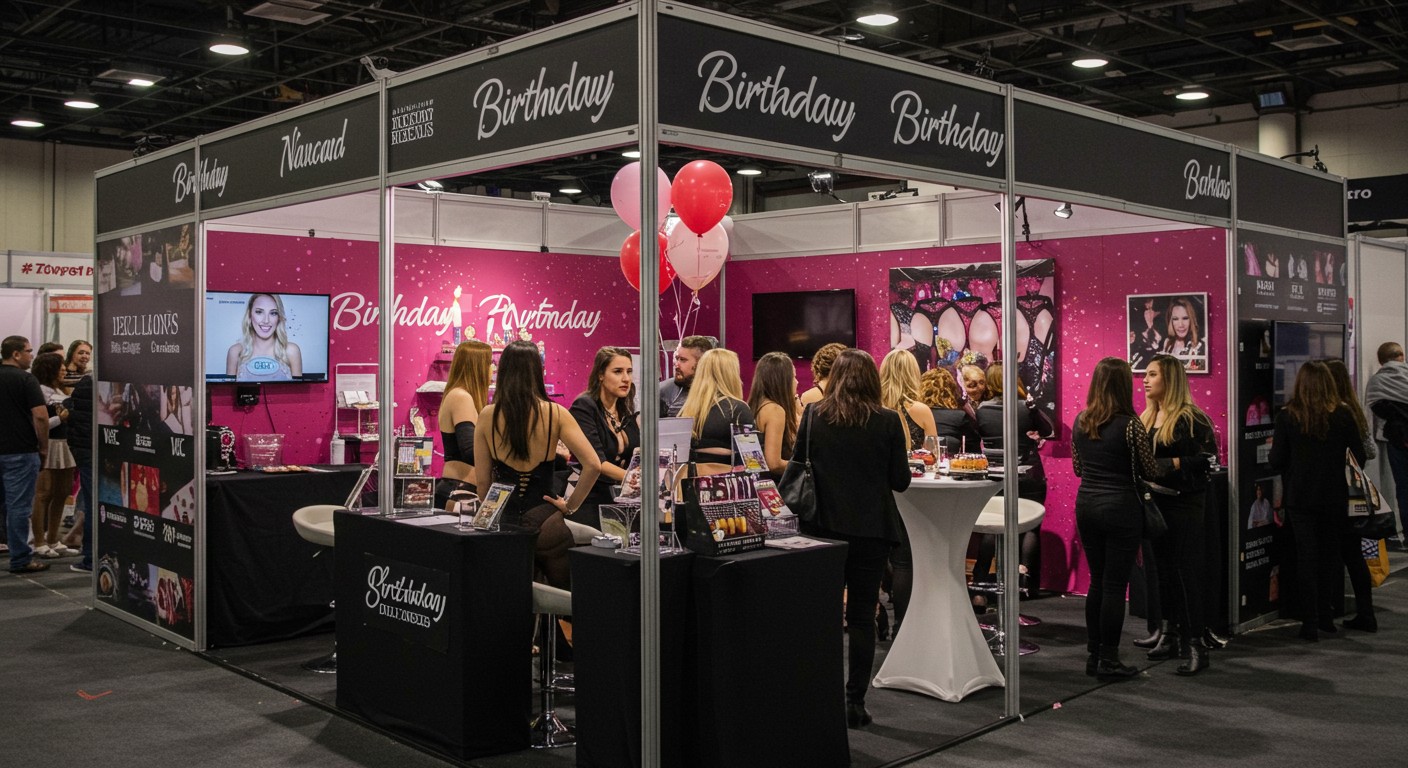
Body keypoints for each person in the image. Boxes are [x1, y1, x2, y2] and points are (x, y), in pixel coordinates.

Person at [791, 349, 910, 729]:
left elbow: (797, 465)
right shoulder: (888, 421)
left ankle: (821, 698)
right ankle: (854, 703)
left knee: (823, 616)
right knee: (861, 617)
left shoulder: (814, 414)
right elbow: (901, 481)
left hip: (821, 527)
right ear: (873, 379)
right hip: (871, 531)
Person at [474, 341, 600, 589]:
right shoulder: (556, 413)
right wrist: (570, 506)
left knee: (508, 597)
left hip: (503, 522)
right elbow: (593, 465)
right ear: (538, 371)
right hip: (547, 522)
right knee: (561, 599)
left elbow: (482, 485)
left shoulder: (487, 415)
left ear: (503, 372)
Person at [1071, 357, 1166, 679]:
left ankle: (1094, 654)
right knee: (1114, 586)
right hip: (1121, 507)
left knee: (1097, 582)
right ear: (1124, 385)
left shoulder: (1081, 420)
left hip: (1087, 505)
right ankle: (1110, 660)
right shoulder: (1131, 425)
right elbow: (1149, 469)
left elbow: (1078, 469)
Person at [1269, 360, 1373, 639]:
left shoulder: (1287, 416)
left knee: (1307, 558)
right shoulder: (1343, 414)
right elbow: (1359, 456)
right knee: (1330, 556)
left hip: (1300, 497)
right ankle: (1327, 616)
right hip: (1336, 496)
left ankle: (1310, 622)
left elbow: (1276, 459)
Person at [1139, 355, 1218, 673]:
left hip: (1185, 505)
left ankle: (1196, 644)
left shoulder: (1192, 418)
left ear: (1169, 379)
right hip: (1154, 503)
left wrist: (1173, 463)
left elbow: (1209, 459)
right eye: (1146, 374)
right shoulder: (1146, 417)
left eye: (1152, 374)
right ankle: (1168, 633)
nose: (1145, 380)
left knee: (1185, 574)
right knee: (1163, 573)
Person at [974, 363, 1053, 598]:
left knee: (992, 526)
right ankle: (1024, 582)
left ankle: (980, 582)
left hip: (995, 475)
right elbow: (1047, 429)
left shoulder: (982, 410)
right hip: (1028, 473)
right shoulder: (1025, 408)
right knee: (1030, 526)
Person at [569, 346, 641, 531]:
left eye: (629, 371)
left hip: (623, 498)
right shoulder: (584, 406)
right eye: (617, 372)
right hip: (592, 498)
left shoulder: (625, 408)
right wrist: (633, 478)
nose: (626, 378)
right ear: (600, 374)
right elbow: (597, 462)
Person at [2, 336, 50, 573]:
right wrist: (44, 447)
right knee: (19, 507)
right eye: (29, 351)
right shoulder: (26, 379)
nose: (32, 355)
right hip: (20, 451)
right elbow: (40, 415)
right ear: (16, 354)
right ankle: (21, 559)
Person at [29, 353, 77, 559]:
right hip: (47, 443)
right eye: (60, 366)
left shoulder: (61, 390)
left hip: (65, 444)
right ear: (49, 369)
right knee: (44, 493)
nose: (64, 369)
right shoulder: (39, 390)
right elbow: (38, 424)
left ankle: (53, 539)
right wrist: (60, 418)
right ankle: (38, 542)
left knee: (63, 492)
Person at [435, 340, 492, 511]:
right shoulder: (461, 397)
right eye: (490, 363)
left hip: (463, 488)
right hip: (460, 490)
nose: (493, 368)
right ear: (477, 366)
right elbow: (470, 450)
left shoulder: (461, 396)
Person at [680, 349, 755, 475]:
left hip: (689, 479)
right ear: (731, 374)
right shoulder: (737, 409)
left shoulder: (687, 410)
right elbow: (751, 460)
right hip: (723, 481)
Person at [1364, 341, 1408, 549]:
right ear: (1401, 355)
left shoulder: (1376, 382)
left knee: (1404, 489)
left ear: (1381, 361)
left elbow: (1373, 409)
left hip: (1398, 443)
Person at [226, 293, 303, 381]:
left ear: (279, 318)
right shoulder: (235, 351)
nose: (266, 321)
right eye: (259, 312)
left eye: (273, 313)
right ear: (250, 316)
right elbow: (229, 389)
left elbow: (297, 390)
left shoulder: (292, 351)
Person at [746, 351, 799, 478]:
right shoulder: (775, 411)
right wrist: (805, 467)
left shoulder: (754, 406)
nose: (797, 382)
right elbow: (774, 463)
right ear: (782, 381)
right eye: (793, 377)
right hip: (774, 485)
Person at [66, 371, 94, 573]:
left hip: (86, 452)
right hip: (93, 452)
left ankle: (91, 556)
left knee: (91, 505)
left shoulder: (85, 385)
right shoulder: (93, 385)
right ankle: (92, 557)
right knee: (93, 506)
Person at [917, 368, 979, 455]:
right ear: (952, 390)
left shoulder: (915, 414)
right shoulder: (960, 417)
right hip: (951, 461)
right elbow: (974, 449)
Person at [659, 335, 714, 418]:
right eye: (677, 358)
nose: (676, 365)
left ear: (701, 363)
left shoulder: (718, 391)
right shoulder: (664, 392)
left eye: (683, 360)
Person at [1160, 297, 1206, 363]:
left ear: (1191, 320)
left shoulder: (1199, 346)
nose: (1181, 325)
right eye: (1175, 319)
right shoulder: (1167, 343)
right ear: (1171, 321)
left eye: (1185, 318)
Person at [1128, 297, 1163, 371]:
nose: (1150, 313)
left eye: (1151, 308)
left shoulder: (1160, 329)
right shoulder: (1136, 331)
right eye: (1147, 309)